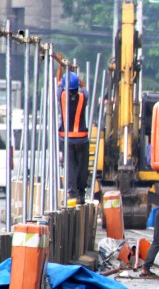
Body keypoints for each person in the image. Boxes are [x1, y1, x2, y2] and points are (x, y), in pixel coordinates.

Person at [57, 72, 90, 205]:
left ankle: (72, 193)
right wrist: (78, 79)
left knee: (70, 166)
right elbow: (84, 87)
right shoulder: (83, 97)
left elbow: (59, 84)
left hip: (67, 140)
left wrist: (63, 70)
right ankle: (81, 193)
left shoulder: (61, 96)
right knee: (82, 167)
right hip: (82, 139)